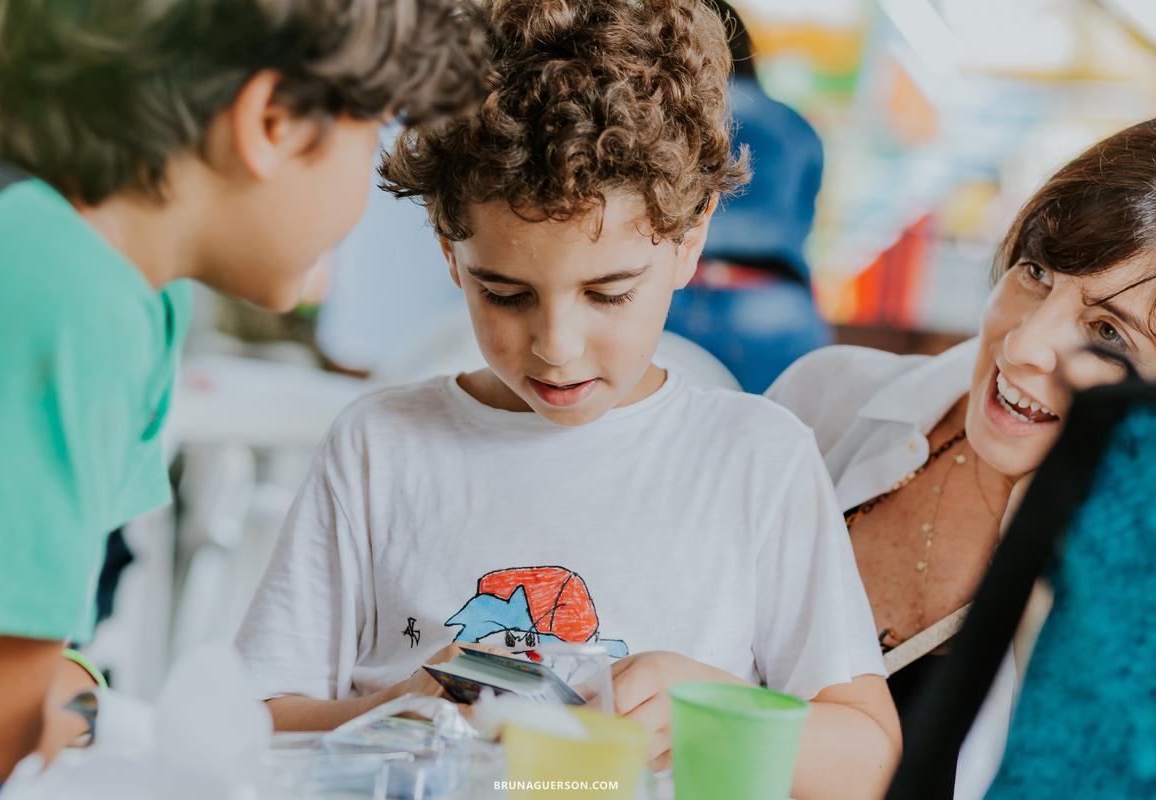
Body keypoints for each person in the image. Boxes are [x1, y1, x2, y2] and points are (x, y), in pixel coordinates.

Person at [236, 1, 901, 798]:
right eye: (506, 293)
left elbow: (869, 756)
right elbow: (250, 719)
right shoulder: (381, 445)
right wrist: (392, 709)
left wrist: (712, 710)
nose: (556, 345)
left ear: (689, 241)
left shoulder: (759, 458)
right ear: (450, 250)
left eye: (609, 293)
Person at [0, 0, 485, 791]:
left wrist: (75, 695)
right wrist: (99, 712)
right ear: (271, 120)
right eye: (368, 132)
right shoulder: (68, 297)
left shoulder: (73, 256)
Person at [766, 118, 1156, 799]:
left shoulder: (1130, 603)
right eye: (1035, 272)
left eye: (1106, 331)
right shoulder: (822, 401)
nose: (1025, 344)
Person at [663, 0, 831, 393]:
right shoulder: (798, 128)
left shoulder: (662, 113)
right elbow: (803, 222)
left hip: (673, 294)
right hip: (774, 304)